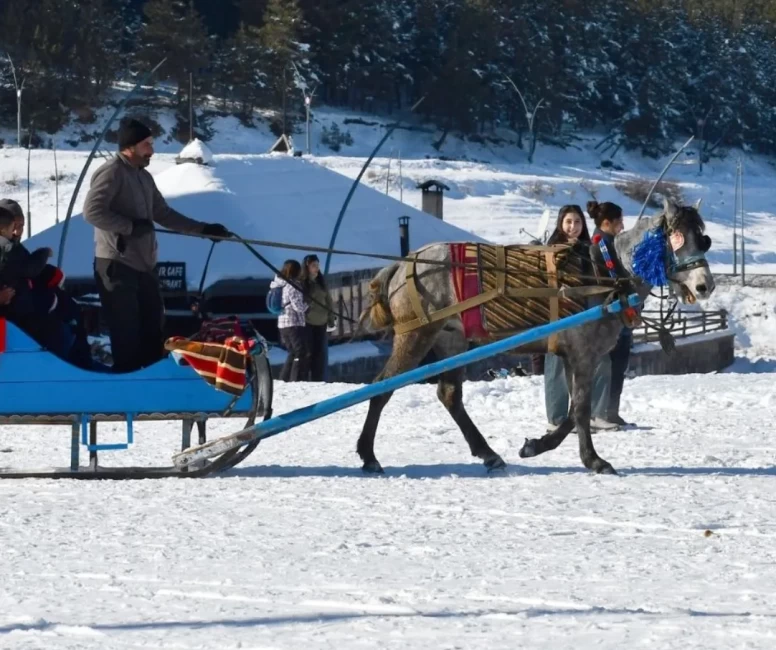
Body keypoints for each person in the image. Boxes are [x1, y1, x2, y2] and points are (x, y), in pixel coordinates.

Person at [83, 117, 230, 373]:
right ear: (130, 147)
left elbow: (163, 213)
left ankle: (152, 382)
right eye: (147, 144)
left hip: (145, 265)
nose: (152, 150)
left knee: (153, 330)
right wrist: (130, 226)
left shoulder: (144, 177)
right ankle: (128, 388)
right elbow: (92, 212)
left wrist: (204, 229)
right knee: (126, 334)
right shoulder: (112, 172)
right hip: (117, 265)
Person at [543, 205, 617, 432]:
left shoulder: (591, 250)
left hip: (587, 316)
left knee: (601, 360)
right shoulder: (551, 251)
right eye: (568, 222)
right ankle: (557, 419)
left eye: (577, 222)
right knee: (558, 365)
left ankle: (596, 414)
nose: (572, 227)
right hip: (558, 315)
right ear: (560, 223)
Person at [588, 200, 633, 427]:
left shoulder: (610, 242)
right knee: (612, 365)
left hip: (617, 312)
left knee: (619, 365)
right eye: (619, 222)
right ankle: (605, 411)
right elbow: (613, 279)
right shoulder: (601, 245)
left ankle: (611, 410)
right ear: (607, 223)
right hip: (610, 312)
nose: (622, 226)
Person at [270, 259, 310, 382]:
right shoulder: (293, 285)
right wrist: (308, 305)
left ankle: (284, 378)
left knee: (292, 351)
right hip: (294, 322)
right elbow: (298, 306)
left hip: (282, 323)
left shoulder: (278, 283)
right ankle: (295, 379)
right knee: (300, 351)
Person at [300, 254, 335, 382]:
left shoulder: (321, 281)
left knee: (320, 353)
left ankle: (318, 379)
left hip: (322, 321)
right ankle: (305, 379)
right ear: (307, 267)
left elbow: (328, 300)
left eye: (317, 265)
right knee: (309, 352)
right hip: (308, 322)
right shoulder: (303, 283)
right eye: (313, 265)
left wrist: (331, 317)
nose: (316, 268)